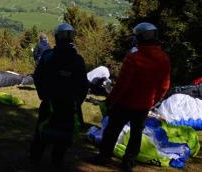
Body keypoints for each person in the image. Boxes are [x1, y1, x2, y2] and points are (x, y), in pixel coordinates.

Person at [91, 23, 171, 172]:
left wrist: (110, 100)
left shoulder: (133, 58)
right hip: (144, 105)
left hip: (125, 103)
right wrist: (153, 101)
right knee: (136, 133)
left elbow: (122, 84)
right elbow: (164, 85)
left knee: (112, 130)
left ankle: (104, 156)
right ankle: (129, 162)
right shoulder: (164, 59)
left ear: (139, 38)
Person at [29, 23, 88, 168]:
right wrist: (77, 102)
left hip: (50, 101)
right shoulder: (78, 60)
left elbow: (37, 76)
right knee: (64, 132)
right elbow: (84, 85)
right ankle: (57, 161)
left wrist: (42, 94)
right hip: (69, 104)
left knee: (42, 130)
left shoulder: (48, 57)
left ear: (56, 38)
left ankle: (35, 158)